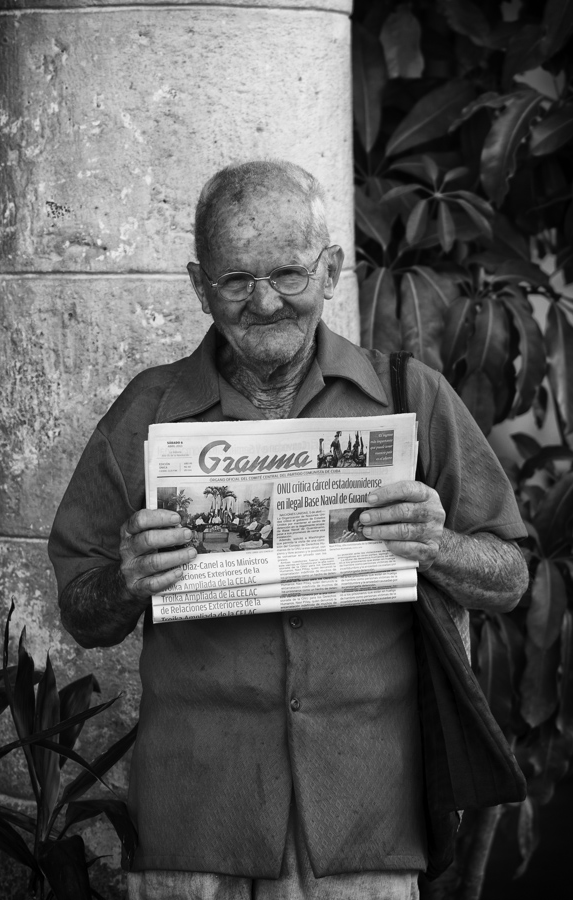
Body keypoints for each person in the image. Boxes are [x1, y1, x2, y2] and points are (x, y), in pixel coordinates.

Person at [48, 160, 529, 900]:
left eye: (288, 274)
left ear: (331, 269)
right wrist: (126, 580)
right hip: (196, 818)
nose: (264, 301)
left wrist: (437, 544)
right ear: (199, 284)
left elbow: (509, 576)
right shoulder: (148, 411)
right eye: (236, 280)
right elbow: (81, 611)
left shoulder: (410, 396)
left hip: (366, 819)